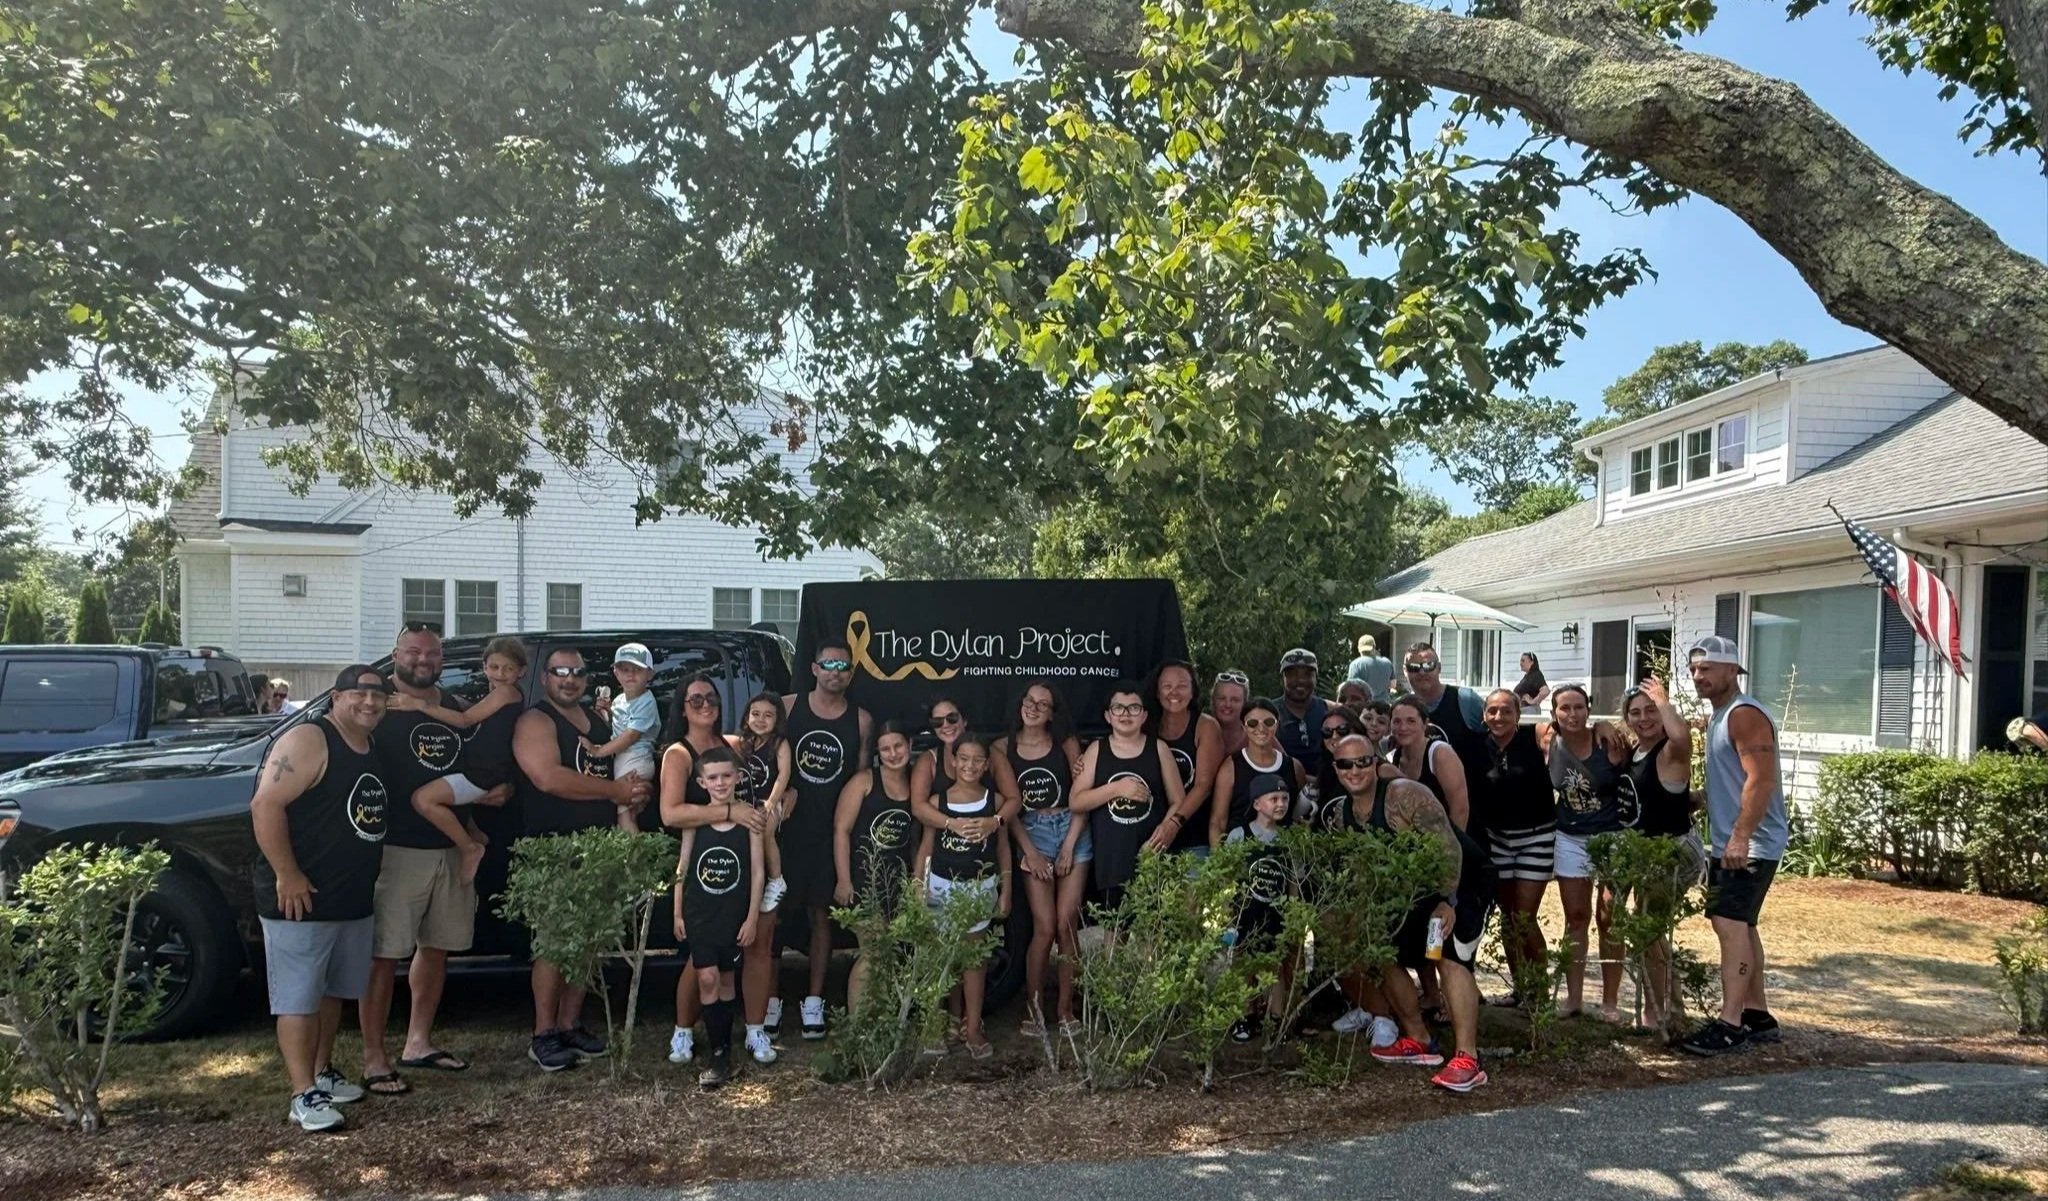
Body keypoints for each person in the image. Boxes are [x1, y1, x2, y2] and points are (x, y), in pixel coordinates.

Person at [361, 626, 509, 1095]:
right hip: (396, 849)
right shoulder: (373, 705)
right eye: (413, 651)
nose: (423, 660)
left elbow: (477, 762)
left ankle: (417, 1043)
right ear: (395, 654)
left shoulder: (454, 706)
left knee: (436, 948)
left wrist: (491, 794)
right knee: (383, 955)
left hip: (451, 847)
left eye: (432, 653)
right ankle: (373, 1057)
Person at [250, 665, 391, 1132]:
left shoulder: (368, 744)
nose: (370, 702)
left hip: (349, 896)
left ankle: (323, 1073)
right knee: (299, 997)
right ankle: (301, 1092)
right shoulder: (310, 739)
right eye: (359, 693)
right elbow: (265, 805)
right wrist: (287, 875)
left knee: (333, 992)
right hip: (302, 898)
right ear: (336, 696)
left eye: (378, 694)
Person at [514, 648, 651, 1071]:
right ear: (544, 679)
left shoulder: (596, 723)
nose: (569, 679)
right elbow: (547, 777)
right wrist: (615, 793)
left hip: (600, 849)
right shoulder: (535, 721)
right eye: (560, 672)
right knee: (554, 945)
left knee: (590, 941)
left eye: (576, 672)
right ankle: (544, 1034)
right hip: (554, 848)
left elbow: (619, 774)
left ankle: (571, 1025)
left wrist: (635, 794)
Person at [1350, 734, 1496, 1094]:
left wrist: (1448, 900)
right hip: (1416, 890)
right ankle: (1418, 1039)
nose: (1354, 770)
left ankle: (1467, 1058)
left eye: (1362, 761)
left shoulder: (1405, 793)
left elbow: (1448, 849)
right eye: (1344, 764)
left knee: (1445, 953)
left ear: (1376, 762)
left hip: (1461, 882)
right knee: (1381, 950)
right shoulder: (1345, 810)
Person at [660, 674, 779, 1067]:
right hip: (703, 871)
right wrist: (729, 811)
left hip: (747, 865)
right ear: (682, 707)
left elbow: (774, 758)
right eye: (696, 700)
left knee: (753, 948)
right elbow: (670, 813)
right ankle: (683, 1030)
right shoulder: (678, 754)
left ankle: (753, 1029)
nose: (705, 705)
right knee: (701, 961)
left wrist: (785, 793)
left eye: (711, 697)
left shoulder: (732, 746)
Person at [1680, 635, 1790, 1057]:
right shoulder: (1720, 716)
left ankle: (1730, 1023)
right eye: (1693, 670)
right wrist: (1700, 802)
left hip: (1751, 843)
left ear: (1732, 671)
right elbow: (1737, 780)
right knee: (1743, 925)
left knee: (1728, 923)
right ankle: (1757, 1014)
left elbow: (1761, 780)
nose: (1698, 676)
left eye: (1707, 668)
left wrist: (1741, 836)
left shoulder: (1743, 714)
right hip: (1736, 839)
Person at [779, 643, 873, 1041]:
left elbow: (863, 778)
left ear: (850, 674)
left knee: (822, 917)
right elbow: (759, 753)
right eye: (828, 665)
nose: (835, 672)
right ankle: (770, 1000)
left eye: (843, 666)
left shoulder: (862, 720)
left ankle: (814, 1001)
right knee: (776, 918)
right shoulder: (786, 706)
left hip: (829, 836)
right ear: (814, 668)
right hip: (783, 835)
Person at [387, 636, 528, 885]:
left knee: (423, 799)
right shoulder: (497, 695)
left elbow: (465, 720)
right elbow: (473, 712)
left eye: (508, 668)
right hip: (478, 767)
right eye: (494, 667)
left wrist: (417, 704)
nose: (500, 674)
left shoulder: (507, 692)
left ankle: (469, 847)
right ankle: (475, 833)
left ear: (521, 672)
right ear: (484, 667)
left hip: (482, 771)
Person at [995, 680, 1088, 1036]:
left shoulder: (1065, 743)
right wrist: (1029, 852)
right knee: (1044, 926)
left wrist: (1069, 845)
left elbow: (1082, 794)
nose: (1033, 707)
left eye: (1043, 703)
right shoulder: (1003, 747)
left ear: (1053, 713)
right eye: (1029, 700)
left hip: (1071, 828)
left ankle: (1065, 1011)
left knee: (1067, 925)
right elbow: (1010, 807)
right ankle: (1034, 1011)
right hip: (1030, 832)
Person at [914, 732, 1012, 1058]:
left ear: (986, 765)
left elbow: (1003, 850)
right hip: (941, 886)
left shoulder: (993, 803)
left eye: (977, 760)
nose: (969, 765)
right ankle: (934, 1024)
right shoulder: (937, 802)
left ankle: (972, 1027)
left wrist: (1005, 888)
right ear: (953, 761)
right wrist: (918, 885)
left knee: (974, 960)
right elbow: (927, 847)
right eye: (963, 759)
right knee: (939, 957)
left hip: (979, 888)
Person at [673, 746, 765, 1090]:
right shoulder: (696, 818)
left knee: (726, 980)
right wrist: (677, 911)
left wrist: (752, 917)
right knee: (707, 978)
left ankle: (724, 1049)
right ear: (702, 782)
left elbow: (758, 873)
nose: (721, 782)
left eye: (727, 775)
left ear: (738, 777)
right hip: (700, 912)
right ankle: (715, 1052)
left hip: (733, 912)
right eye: (713, 777)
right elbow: (682, 867)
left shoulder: (750, 820)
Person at [1621, 677, 1706, 1031]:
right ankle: (1659, 1009)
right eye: (1636, 712)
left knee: (1647, 929)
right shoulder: (1636, 752)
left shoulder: (1669, 751)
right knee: (1646, 930)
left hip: (1672, 851)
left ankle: (1668, 1013)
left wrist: (1665, 701)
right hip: (1649, 853)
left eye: (1651, 710)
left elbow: (1683, 738)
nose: (1644, 718)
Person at [1471, 689, 1559, 1008]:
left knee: (1524, 916)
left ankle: (1541, 991)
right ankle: (1522, 989)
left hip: (1535, 836)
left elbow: (1558, 728)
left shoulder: (1532, 737)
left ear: (1518, 714)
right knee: (1507, 918)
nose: (1498, 717)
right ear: (1484, 715)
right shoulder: (1477, 747)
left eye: (1506, 711)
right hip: (1497, 839)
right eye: (1492, 711)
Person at [1548, 683, 1631, 1021]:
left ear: (1589, 708)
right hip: (1570, 837)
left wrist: (1606, 725)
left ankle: (1610, 1001)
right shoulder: (1548, 743)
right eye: (1564, 708)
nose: (1572, 714)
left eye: (1579, 707)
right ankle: (1574, 998)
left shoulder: (1606, 742)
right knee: (1576, 918)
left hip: (1611, 835)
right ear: (1554, 712)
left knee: (1610, 917)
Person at [1072, 681, 1185, 916]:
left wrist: (1165, 830)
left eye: (1133, 708)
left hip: (1151, 854)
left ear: (1144, 715)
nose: (1125, 714)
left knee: (1151, 931)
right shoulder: (1096, 750)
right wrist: (1116, 789)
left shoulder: (1159, 749)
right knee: (1115, 931)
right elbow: (1076, 801)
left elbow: (1178, 800)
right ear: (1107, 715)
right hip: (1112, 858)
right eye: (1118, 708)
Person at [833, 720, 919, 1014]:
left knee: (892, 953)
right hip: (864, 878)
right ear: (877, 753)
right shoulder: (865, 782)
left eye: (898, 746)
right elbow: (841, 831)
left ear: (908, 745)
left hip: (900, 880)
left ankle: (881, 1021)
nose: (893, 753)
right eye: (886, 749)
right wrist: (844, 880)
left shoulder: (916, 782)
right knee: (873, 952)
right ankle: (856, 1024)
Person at [1224, 773, 1295, 1043]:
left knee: (1275, 967)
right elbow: (1228, 877)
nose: (1280, 804)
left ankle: (1277, 1019)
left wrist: (1294, 913)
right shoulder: (1239, 836)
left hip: (1276, 914)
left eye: (1285, 799)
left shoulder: (1288, 839)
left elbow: (1292, 881)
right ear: (1256, 803)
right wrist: (1227, 913)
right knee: (1244, 966)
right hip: (1246, 913)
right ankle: (1245, 1016)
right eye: (1274, 798)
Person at [1147, 660, 1221, 859]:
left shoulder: (1205, 726)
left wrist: (1173, 824)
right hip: (1149, 837)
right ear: (1157, 691)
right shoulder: (1146, 726)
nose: (1174, 692)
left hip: (1193, 838)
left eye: (1182, 686)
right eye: (1167, 686)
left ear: (1192, 691)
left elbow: (1203, 786)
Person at [1210, 698, 1306, 844]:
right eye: (1253, 723)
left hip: (1284, 856)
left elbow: (1301, 816)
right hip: (1240, 856)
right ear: (1243, 727)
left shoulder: (1294, 767)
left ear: (1276, 725)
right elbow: (1218, 822)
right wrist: (1220, 863)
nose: (1261, 728)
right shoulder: (1230, 768)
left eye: (1268, 722)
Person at [579, 644, 660, 810]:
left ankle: (630, 837)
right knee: (627, 809)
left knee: (624, 811)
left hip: (637, 758)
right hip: (623, 757)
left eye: (637, 669)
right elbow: (617, 728)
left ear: (650, 673)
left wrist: (598, 751)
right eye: (624, 669)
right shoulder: (619, 700)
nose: (630, 674)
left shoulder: (646, 702)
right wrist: (606, 712)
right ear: (616, 673)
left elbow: (630, 736)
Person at [732, 692, 792, 913]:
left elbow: (783, 775)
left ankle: (776, 879)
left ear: (778, 720)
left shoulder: (779, 744)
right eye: (755, 714)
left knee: (766, 831)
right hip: (747, 801)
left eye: (768, 715)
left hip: (770, 801)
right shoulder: (744, 742)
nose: (760, 719)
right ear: (747, 717)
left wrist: (771, 802)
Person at [1400, 642, 1489, 781]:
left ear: (1439, 668)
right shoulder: (1401, 708)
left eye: (1429, 666)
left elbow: (1495, 738)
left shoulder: (1465, 699)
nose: (1422, 672)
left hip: (1467, 795)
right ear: (1405, 671)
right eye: (1414, 667)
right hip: (1420, 798)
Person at [1273, 648, 1331, 778]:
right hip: (1281, 789)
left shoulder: (1329, 711)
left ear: (1316, 678)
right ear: (1282, 679)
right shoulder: (1269, 713)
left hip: (1327, 788)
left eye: (1307, 674)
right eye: (1292, 674)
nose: (1300, 680)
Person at [1307, 707, 1367, 833]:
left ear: (1357, 730)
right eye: (1327, 731)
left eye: (1342, 730)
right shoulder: (1326, 769)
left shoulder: (1380, 769)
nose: (1334, 736)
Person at [1212, 669, 1251, 758]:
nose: (1228, 704)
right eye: (1222, 698)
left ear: (1244, 703)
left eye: (1235, 700)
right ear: (1213, 700)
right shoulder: (1201, 730)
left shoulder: (1255, 734)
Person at [1347, 635, 1395, 702]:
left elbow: (1352, 689)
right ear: (1374, 647)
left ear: (1359, 648)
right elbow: (1393, 684)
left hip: (1364, 706)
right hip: (1384, 706)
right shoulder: (1387, 662)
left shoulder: (1355, 664)